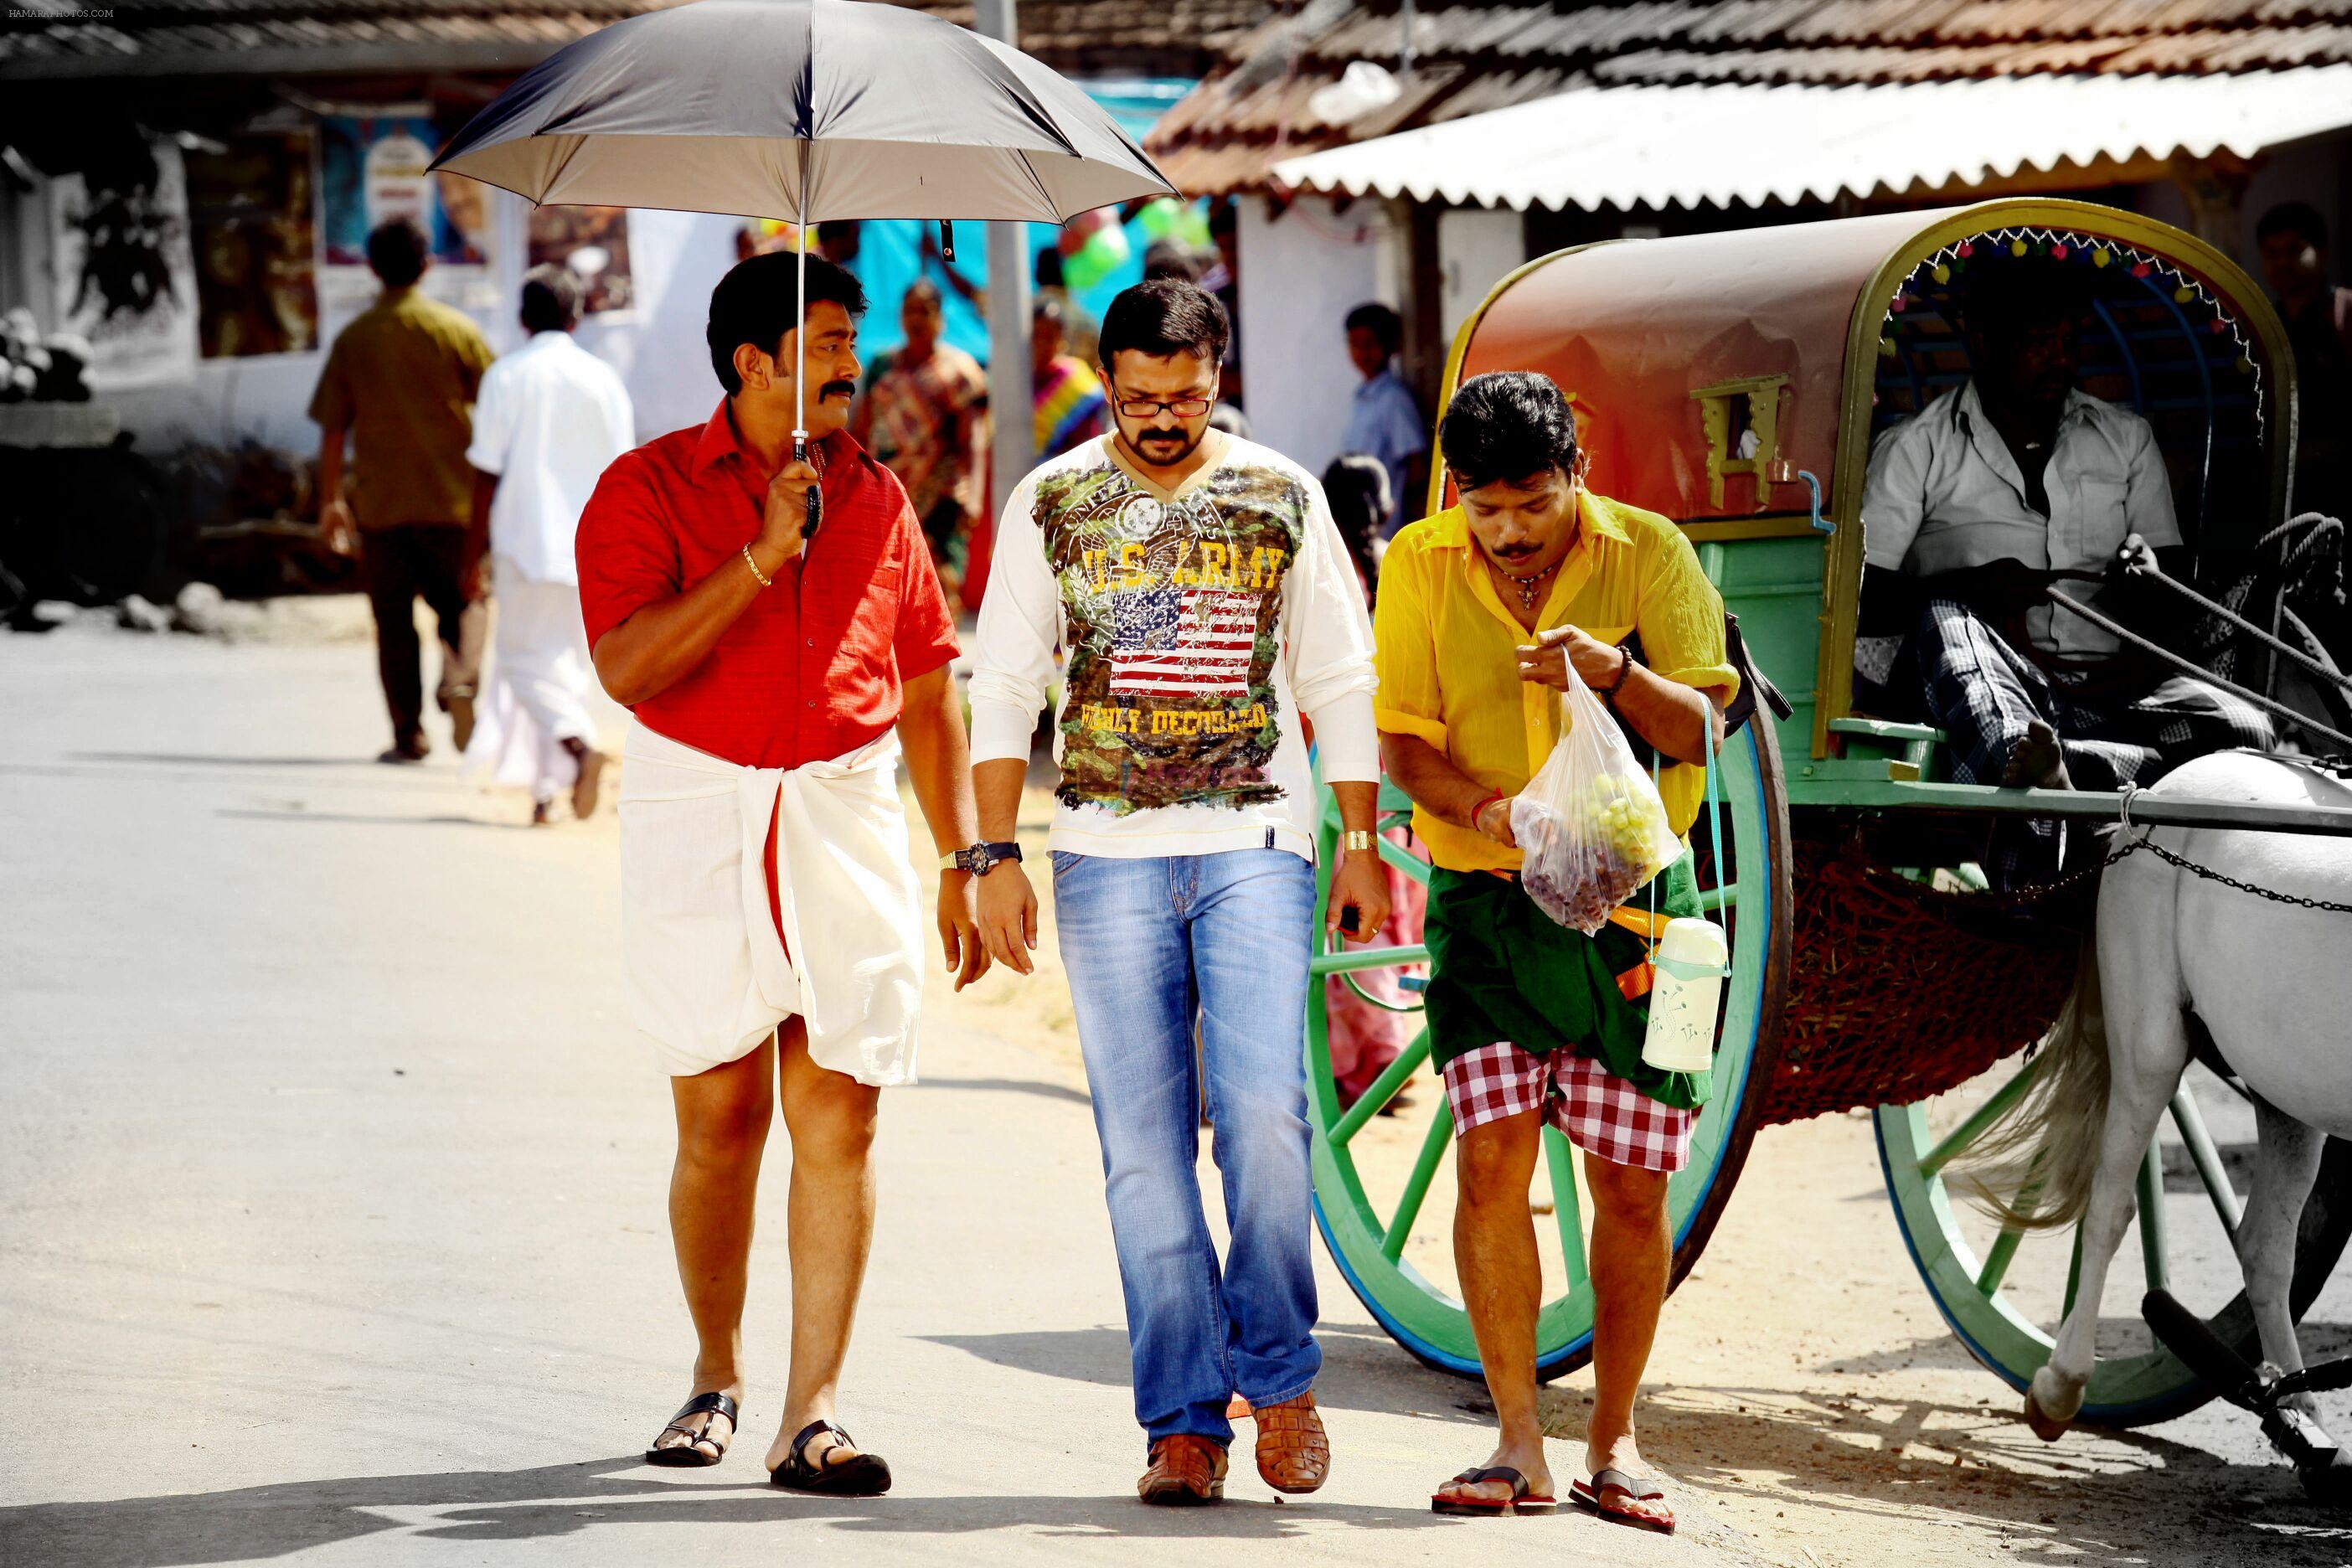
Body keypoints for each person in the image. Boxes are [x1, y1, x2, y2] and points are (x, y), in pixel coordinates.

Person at [966, 279, 1389, 1506]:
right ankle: (1184, 1422)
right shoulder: (1050, 505)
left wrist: (1360, 841)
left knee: (1264, 1117)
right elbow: (1002, 689)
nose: (1164, 418)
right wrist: (991, 855)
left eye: (1187, 396)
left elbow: (1340, 676)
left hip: (1260, 838)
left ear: (1218, 376)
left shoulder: (1281, 495)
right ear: (1108, 384)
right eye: (1142, 398)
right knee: (1141, 1155)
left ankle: (1284, 1373)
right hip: (1102, 857)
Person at [575, 250, 988, 1494]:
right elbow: (628, 669)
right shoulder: (643, 488)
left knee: (841, 1111)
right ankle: (715, 1373)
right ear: (757, 362)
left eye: (853, 337)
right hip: (697, 817)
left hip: (844, 817)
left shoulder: (880, 498)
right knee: (719, 1118)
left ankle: (812, 1412)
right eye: (829, 340)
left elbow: (926, 688)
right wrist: (761, 554)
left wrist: (964, 853)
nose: (852, 362)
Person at [1378, 372, 1733, 1530]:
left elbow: (1707, 729)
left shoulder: (1650, 553)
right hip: (1486, 907)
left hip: (1634, 909)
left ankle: (1616, 1441)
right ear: (1455, 495)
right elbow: (1405, 747)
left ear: (1577, 475)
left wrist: (1616, 673)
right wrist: (1493, 817)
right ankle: (1516, 1444)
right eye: (1486, 510)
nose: (1511, 533)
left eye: (1534, 503)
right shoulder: (1419, 566)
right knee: (1490, 1166)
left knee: (1632, 1188)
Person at [1859, 258, 2272, 887]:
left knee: (2249, 729)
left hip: (2112, 695)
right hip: (1998, 690)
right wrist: (1973, 588)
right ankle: (2039, 779)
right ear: (1984, 343)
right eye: (2036, 343)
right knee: (1943, 618)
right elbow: (1865, 598)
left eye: (2067, 342)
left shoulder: (2125, 438)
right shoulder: (1918, 447)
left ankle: (2072, 770)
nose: (2059, 359)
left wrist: (2150, 578)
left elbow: (2175, 600)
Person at [310, 218, 495, 762]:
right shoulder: (456, 331)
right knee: (464, 604)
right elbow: (499, 407)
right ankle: (459, 679)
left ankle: (407, 734)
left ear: (372, 268)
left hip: (382, 507)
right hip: (453, 503)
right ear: (427, 266)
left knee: (393, 625)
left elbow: (333, 427)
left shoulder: (354, 339)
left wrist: (330, 501)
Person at [458, 266, 633, 823]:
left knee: (520, 660)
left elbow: (485, 473)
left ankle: (575, 745)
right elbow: (624, 472)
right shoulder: (604, 379)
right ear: (577, 316)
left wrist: (471, 554)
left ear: (522, 318)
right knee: (564, 667)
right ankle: (545, 794)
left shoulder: (507, 376)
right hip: (592, 549)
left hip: (524, 545)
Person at [1318, 452, 1426, 1110]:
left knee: (1347, 909)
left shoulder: (1331, 576)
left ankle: (1357, 1061)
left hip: (1341, 758)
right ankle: (1391, 1056)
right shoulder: (1395, 569)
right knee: (1395, 905)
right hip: (1397, 755)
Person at [852, 277, 989, 596]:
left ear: (939, 318)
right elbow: (862, 426)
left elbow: (973, 440)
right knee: (887, 582)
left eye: (924, 311)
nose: (916, 319)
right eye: (910, 311)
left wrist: (972, 494)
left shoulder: (960, 372)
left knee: (941, 583)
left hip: (940, 494)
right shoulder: (883, 366)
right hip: (889, 491)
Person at [2256, 201, 2352, 536]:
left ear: (2322, 253)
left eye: (2294, 250)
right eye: (2272, 253)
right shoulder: (2261, 323)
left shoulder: (2345, 311)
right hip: (2280, 489)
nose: (2282, 262)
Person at [1341, 302, 1430, 537]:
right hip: (1361, 522)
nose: (1362, 352)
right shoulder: (1362, 396)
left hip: (1389, 526)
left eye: (1370, 344)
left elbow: (1417, 465)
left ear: (1389, 345)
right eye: (1355, 344)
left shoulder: (1394, 398)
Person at [1030, 296, 1107, 461]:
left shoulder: (1077, 380)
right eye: (1036, 335)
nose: (1041, 344)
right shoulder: (1018, 377)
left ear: (1061, 337)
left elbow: (1086, 438)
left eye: (1049, 336)